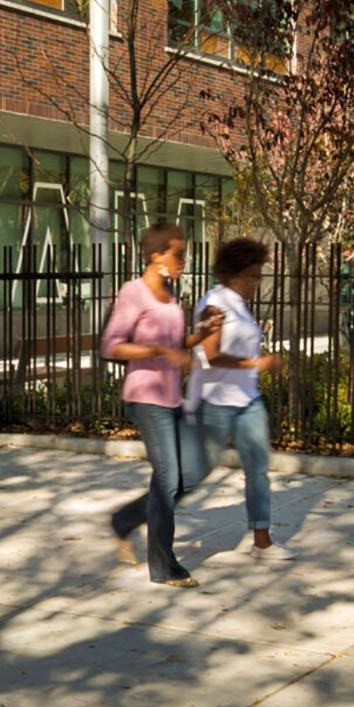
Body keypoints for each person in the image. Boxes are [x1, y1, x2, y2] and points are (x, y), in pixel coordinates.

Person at [102, 220, 220, 587]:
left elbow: (178, 342)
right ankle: (164, 566)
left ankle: (125, 520)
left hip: (172, 396)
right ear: (156, 256)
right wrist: (155, 350)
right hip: (145, 396)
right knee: (168, 476)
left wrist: (204, 332)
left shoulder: (171, 293)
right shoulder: (133, 292)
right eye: (179, 254)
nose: (184, 260)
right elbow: (111, 344)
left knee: (192, 472)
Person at [189, 237, 288, 559]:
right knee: (196, 473)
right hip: (216, 400)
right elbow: (210, 354)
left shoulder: (240, 306)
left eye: (259, 277)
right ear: (232, 275)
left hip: (248, 399)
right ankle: (148, 511)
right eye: (252, 277)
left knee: (258, 468)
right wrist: (257, 363)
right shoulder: (214, 304)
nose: (257, 284)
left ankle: (262, 541)